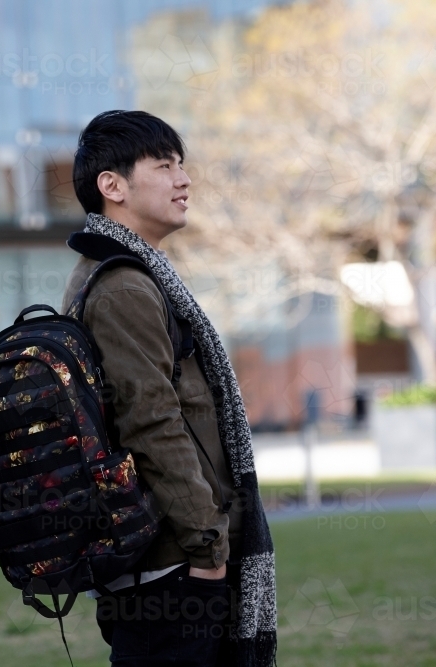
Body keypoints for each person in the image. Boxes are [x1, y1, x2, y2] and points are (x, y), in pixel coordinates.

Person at [60, 110, 277, 667]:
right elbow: (150, 421)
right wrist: (206, 543)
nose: (183, 179)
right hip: (170, 564)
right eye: (163, 165)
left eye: (182, 164)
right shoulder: (122, 287)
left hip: (170, 557)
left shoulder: (126, 275)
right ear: (113, 186)